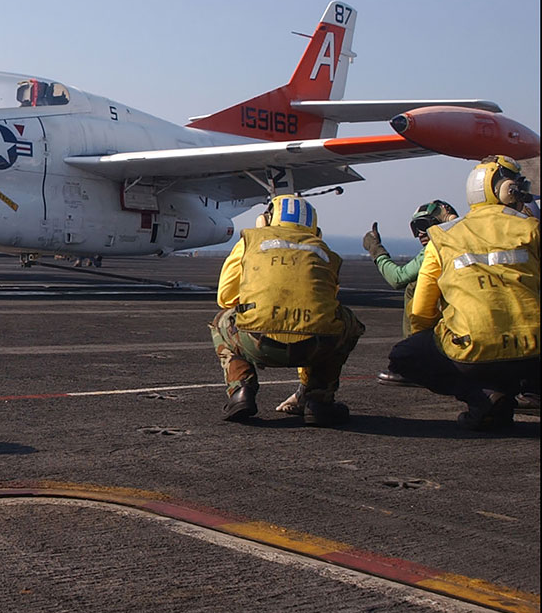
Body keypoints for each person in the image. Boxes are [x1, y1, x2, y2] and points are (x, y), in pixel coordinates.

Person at [386, 156, 539, 431]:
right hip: (533, 352)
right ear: (508, 189)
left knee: (405, 356)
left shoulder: (442, 237)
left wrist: (424, 339)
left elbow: (420, 310)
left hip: (470, 353)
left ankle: (483, 397)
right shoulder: (533, 229)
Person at [209, 194, 365, 426]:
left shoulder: (251, 241)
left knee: (222, 320)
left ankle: (241, 391)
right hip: (314, 347)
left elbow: (225, 297)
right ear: (314, 228)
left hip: (259, 341)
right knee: (345, 323)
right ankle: (318, 399)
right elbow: (323, 310)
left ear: (265, 220)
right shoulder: (324, 252)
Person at [362, 199, 459, 383]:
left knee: (414, 288)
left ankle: (417, 360)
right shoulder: (462, 240)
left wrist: (375, 249)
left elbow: (398, 278)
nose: (419, 234)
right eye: (415, 228)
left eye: (423, 225)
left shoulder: (437, 246)